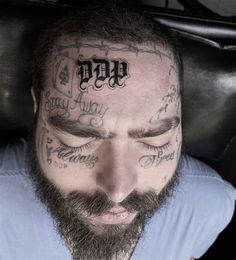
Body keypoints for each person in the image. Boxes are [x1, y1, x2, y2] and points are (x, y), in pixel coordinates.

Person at [0, 2, 235, 260]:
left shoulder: (210, 208)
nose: (118, 191)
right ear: (37, 107)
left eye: (155, 138)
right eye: (79, 137)